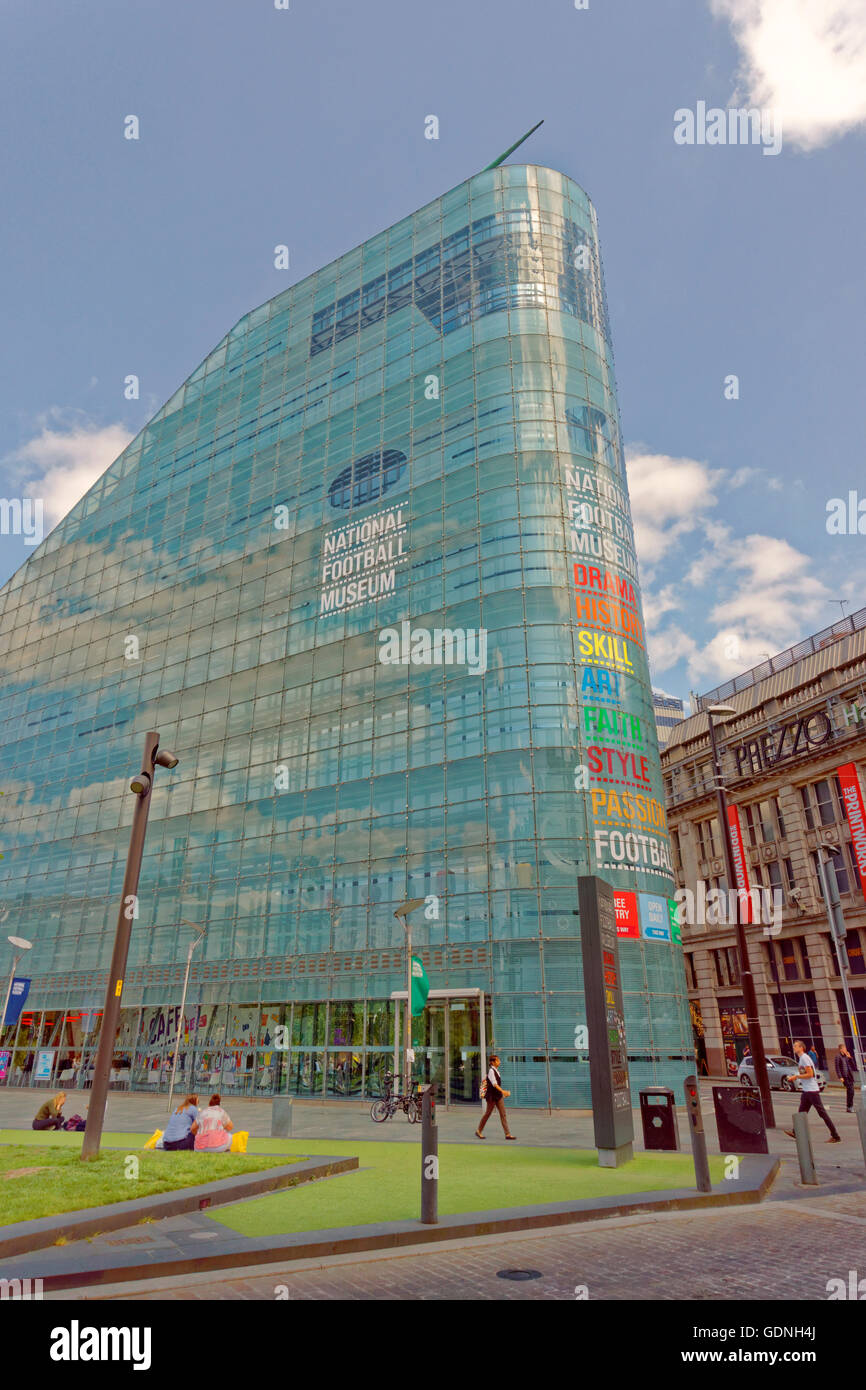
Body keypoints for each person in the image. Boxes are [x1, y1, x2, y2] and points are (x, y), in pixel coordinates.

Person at [784, 1040, 840, 1143]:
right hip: (807, 1091)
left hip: (811, 1090)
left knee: (822, 1113)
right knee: (801, 1112)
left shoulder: (804, 1058)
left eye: (795, 1046)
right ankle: (796, 1132)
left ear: (801, 1048)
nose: (793, 1047)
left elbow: (810, 1074)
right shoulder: (802, 1058)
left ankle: (835, 1136)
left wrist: (796, 1076)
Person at [475, 1055, 516, 1140]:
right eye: (497, 1060)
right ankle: (478, 1131)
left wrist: (502, 1093)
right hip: (491, 1097)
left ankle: (507, 1134)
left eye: (499, 1060)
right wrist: (503, 1091)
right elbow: (494, 1084)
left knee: (503, 1114)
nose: (499, 1062)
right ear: (492, 1062)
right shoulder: (491, 1071)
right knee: (488, 1114)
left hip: (498, 1096)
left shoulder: (497, 1071)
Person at [835, 1045, 857, 1113]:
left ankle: (849, 1107)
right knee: (851, 1091)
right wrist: (840, 1077)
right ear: (841, 1049)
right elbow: (837, 1067)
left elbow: (854, 1066)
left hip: (850, 1076)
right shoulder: (838, 1057)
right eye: (844, 1048)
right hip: (845, 1077)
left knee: (851, 1092)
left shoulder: (846, 1057)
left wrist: (850, 1057)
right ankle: (850, 1107)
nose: (845, 1050)